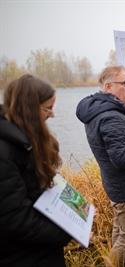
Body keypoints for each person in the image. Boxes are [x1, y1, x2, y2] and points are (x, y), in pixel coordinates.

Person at [76, 66, 125, 267]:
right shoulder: (112, 117)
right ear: (108, 86)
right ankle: (113, 264)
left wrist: (121, 72)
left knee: (120, 226)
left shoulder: (97, 107)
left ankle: (120, 262)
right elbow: (121, 159)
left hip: (114, 184)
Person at [0, 74, 72, 266]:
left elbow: (36, 192)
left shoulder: (23, 142)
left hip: (40, 252)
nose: (52, 114)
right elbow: (16, 221)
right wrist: (68, 231)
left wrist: (77, 211)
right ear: (28, 110)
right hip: (23, 257)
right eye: (47, 108)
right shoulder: (4, 153)